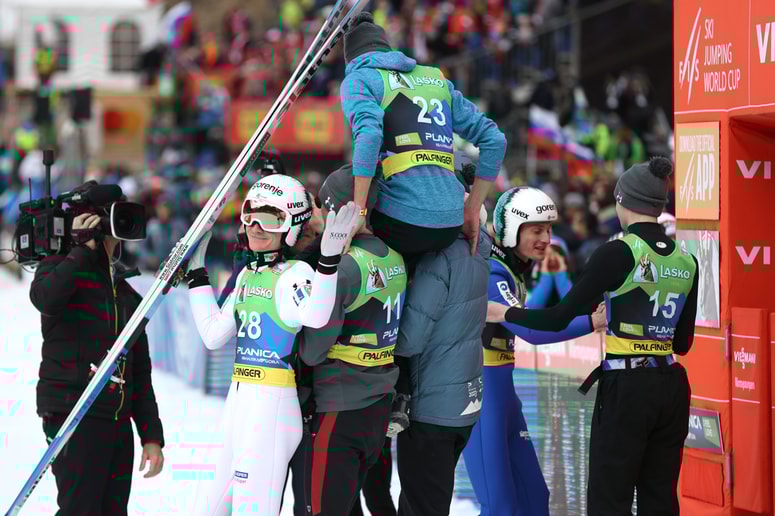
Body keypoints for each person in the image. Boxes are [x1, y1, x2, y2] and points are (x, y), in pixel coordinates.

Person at [489, 157, 699, 515]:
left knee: (609, 497)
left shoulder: (618, 252)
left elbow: (556, 318)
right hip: (673, 385)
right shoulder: (687, 259)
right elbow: (683, 343)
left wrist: (502, 312)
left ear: (623, 202)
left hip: (627, 384)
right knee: (661, 496)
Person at [184, 173, 359, 515]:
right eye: (249, 216)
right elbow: (213, 334)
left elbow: (317, 316)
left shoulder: (295, 273)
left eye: (269, 218)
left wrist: (328, 263)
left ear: (291, 226)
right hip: (239, 400)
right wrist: (197, 275)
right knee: (211, 506)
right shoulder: (249, 274)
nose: (255, 227)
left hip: (272, 406)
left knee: (254, 509)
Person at [462, 186, 606, 516]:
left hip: (503, 397)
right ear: (512, 229)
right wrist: (593, 322)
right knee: (501, 508)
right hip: (482, 397)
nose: (546, 237)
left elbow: (531, 316)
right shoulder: (493, 271)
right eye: (537, 229)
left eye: (549, 229)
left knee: (534, 501)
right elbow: (531, 330)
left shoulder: (511, 272)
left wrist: (553, 283)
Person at [29, 182, 165, 516]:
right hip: (73, 413)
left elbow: (139, 369)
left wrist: (151, 434)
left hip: (115, 419)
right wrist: (79, 250)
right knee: (80, 510)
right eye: (111, 218)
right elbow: (44, 298)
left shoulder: (125, 290)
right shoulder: (60, 267)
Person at [340, 12, 507, 261]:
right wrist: (472, 209)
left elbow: (369, 135)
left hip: (401, 224)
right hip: (451, 225)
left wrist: (360, 212)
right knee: (458, 161)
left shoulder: (359, 78)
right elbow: (495, 139)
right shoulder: (435, 78)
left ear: (352, 58)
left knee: (340, 181)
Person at [296, 165, 407, 515]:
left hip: (339, 408)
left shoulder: (344, 269)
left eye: (326, 209)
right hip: (376, 409)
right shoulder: (396, 257)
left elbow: (313, 352)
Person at [391, 191, 491, 516]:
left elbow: (410, 338)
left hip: (431, 408)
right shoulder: (479, 250)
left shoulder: (439, 259)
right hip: (462, 402)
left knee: (422, 506)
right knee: (425, 502)